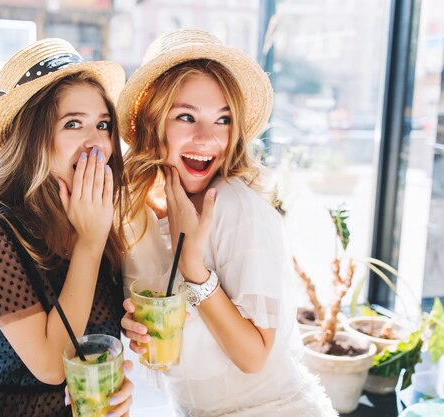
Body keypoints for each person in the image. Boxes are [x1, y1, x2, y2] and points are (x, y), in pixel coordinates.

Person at [118, 29, 337, 417]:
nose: (208, 138)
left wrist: (194, 270)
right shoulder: (142, 216)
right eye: (186, 116)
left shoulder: (235, 207)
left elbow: (253, 356)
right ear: (153, 123)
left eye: (223, 120)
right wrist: (134, 328)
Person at [0, 38, 134, 417]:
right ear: (31, 139)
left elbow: (96, 348)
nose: (97, 144)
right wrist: (90, 242)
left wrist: (117, 386)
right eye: (73, 124)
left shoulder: (99, 218)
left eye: (103, 125)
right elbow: (53, 366)